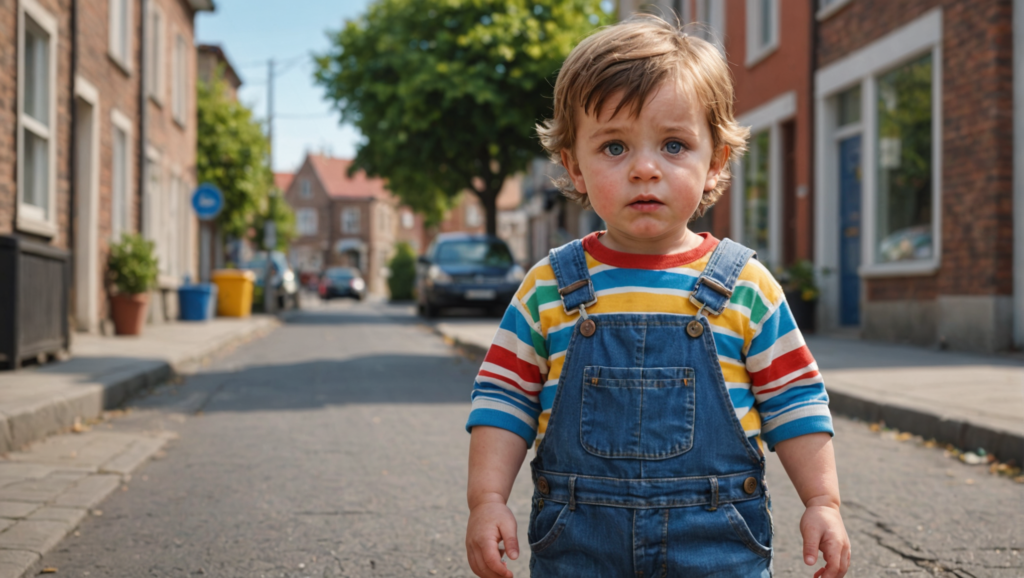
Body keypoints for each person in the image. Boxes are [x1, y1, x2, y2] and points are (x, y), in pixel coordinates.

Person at [464, 15, 850, 578]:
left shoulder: (745, 286)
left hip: (716, 543)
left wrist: (823, 502)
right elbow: (504, 399)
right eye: (614, 147)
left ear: (714, 160)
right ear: (574, 164)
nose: (645, 168)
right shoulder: (549, 286)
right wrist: (487, 500)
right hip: (579, 546)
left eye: (674, 145)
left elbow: (795, 401)